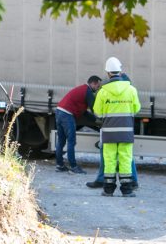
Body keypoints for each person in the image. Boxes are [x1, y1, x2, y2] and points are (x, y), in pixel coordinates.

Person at [93, 57, 140, 196]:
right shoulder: (131, 90)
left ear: (108, 73)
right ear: (120, 71)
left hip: (109, 133)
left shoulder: (103, 92)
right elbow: (136, 109)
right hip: (126, 132)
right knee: (126, 159)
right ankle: (127, 190)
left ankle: (108, 190)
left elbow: (97, 112)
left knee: (109, 160)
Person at [55, 75, 102, 173]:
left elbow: (84, 112)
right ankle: (73, 167)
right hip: (67, 114)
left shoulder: (82, 90)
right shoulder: (88, 92)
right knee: (71, 141)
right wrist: (101, 118)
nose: (97, 89)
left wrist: (95, 120)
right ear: (93, 83)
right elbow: (94, 108)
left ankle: (59, 165)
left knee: (61, 140)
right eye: (98, 87)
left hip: (59, 111)